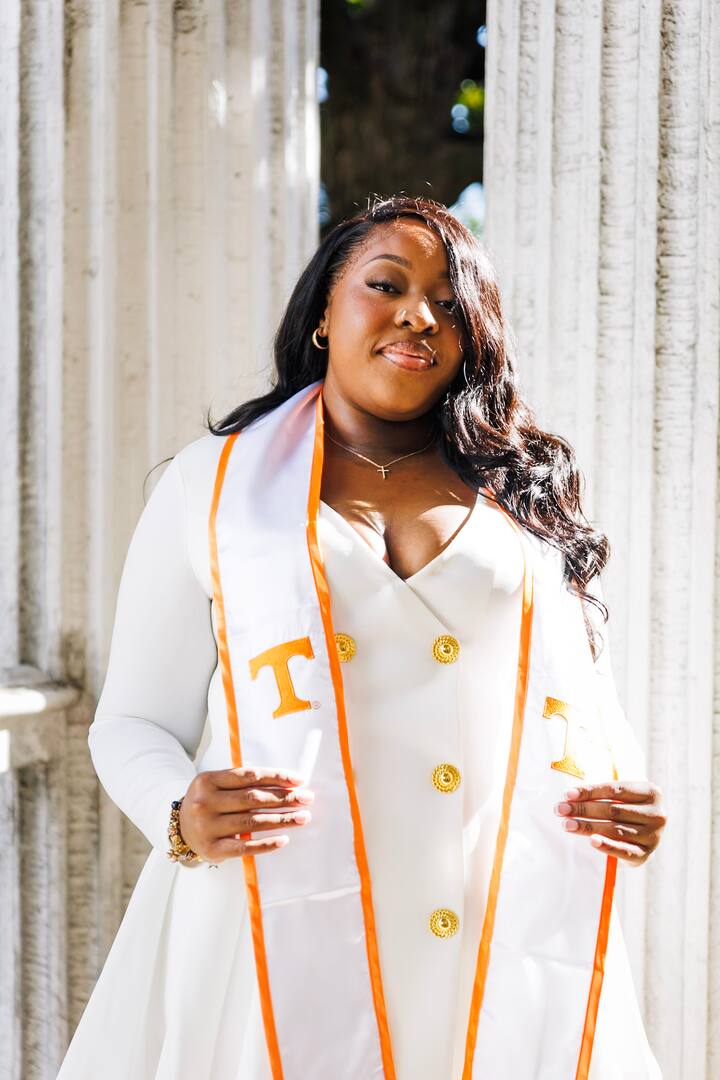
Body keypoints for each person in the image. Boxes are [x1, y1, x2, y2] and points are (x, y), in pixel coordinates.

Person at [57, 195, 666, 1080]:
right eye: (387, 285)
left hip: (485, 909)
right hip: (274, 910)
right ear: (322, 315)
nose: (420, 315)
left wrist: (629, 797)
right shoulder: (210, 488)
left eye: (450, 304)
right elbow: (131, 722)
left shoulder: (522, 499)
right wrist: (178, 815)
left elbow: (585, 706)